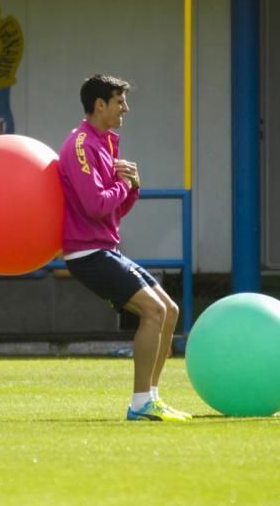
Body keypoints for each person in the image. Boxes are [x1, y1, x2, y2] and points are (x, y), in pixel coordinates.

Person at [58, 74, 191, 422]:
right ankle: (139, 404)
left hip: (105, 247)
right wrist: (120, 183)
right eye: (120, 101)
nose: (125, 109)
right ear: (100, 105)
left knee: (169, 310)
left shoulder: (104, 143)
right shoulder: (81, 144)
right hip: (87, 253)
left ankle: (152, 398)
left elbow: (114, 210)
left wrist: (131, 187)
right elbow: (94, 206)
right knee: (154, 312)